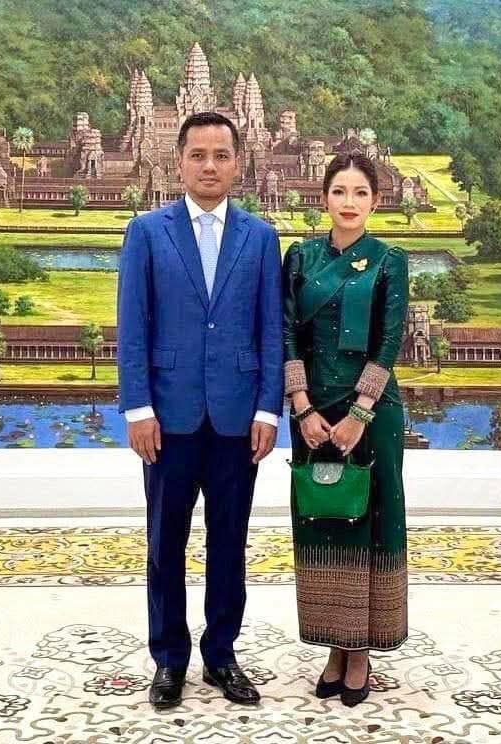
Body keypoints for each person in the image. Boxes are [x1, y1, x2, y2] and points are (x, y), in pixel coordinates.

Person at [117, 111, 283, 710]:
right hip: (167, 417)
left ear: (238, 163)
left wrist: (269, 411)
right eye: (198, 155)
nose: (209, 166)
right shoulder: (147, 232)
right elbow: (132, 326)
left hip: (239, 420)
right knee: (165, 543)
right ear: (178, 161)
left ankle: (221, 655)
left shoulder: (260, 238)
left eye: (221, 155)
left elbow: (271, 330)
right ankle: (169, 659)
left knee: (229, 543)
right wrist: (138, 408)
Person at [282, 151, 409, 707]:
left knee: (370, 524)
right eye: (339, 192)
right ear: (324, 198)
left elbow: (390, 340)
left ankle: (360, 653)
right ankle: (334, 645)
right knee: (325, 520)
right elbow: (287, 333)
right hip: (311, 412)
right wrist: (302, 407)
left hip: (371, 414)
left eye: (360, 193)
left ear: (375, 201)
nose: (349, 202)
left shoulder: (389, 260)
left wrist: (359, 414)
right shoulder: (300, 257)